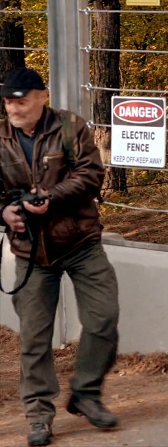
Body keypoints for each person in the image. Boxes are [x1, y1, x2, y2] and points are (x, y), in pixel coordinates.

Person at [0, 67, 119, 447]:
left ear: (41, 96)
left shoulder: (70, 127)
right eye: (8, 102)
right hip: (31, 252)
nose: (13, 108)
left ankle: (86, 393)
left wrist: (51, 196)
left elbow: (91, 175)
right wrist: (5, 212)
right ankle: (39, 416)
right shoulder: (1, 138)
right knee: (34, 339)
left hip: (81, 242)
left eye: (21, 101)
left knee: (103, 318)